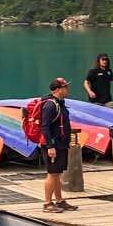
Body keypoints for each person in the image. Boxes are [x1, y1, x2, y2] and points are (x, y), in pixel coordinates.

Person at [40, 77, 75, 213]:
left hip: (61, 143)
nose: (67, 89)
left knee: (57, 173)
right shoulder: (50, 105)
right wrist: (50, 146)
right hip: (52, 145)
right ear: (58, 90)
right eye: (65, 87)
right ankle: (47, 203)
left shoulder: (61, 103)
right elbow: (45, 127)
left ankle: (59, 201)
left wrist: (67, 141)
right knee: (52, 173)